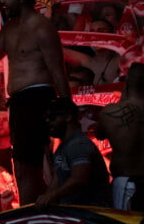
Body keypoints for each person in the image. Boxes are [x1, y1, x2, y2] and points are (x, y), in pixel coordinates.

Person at [0, 0, 70, 205]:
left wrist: (66, 108)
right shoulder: (10, 29)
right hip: (19, 102)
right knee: (22, 162)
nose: (3, 1)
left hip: (40, 98)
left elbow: (58, 71)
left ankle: (52, 208)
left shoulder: (42, 28)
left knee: (44, 159)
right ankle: (29, 210)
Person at [36, 98, 111, 208]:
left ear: (68, 117)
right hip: (75, 213)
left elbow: (79, 179)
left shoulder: (78, 144)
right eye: (46, 118)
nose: (48, 121)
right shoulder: (63, 147)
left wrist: (51, 196)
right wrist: (45, 200)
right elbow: (57, 179)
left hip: (92, 213)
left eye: (52, 117)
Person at [98, 62, 144, 210]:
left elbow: (99, 134)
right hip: (129, 180)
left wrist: (124, 97)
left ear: (127, 84)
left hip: (126, 180)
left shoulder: (109, 113)